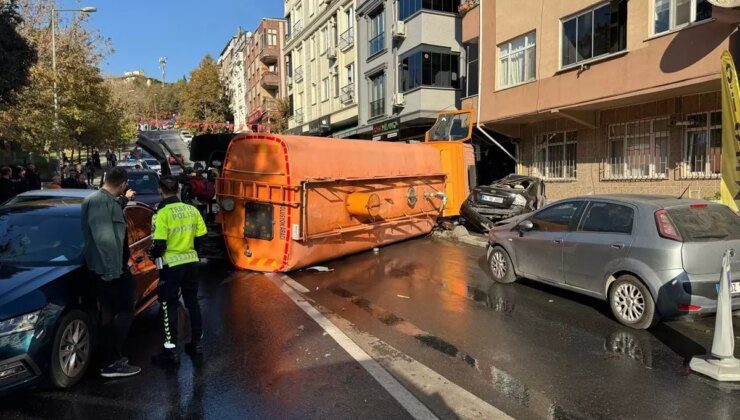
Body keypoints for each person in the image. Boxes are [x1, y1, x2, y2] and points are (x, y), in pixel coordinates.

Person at [81, 167, 141, 378]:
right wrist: (112, 272)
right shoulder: (98, 202)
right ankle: (111, 362)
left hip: (114, 268)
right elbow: (104, 240)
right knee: (122, 311)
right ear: (123, 184)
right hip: (109, 271)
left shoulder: (107, 201)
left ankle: (112, 357)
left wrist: (124, 201)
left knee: (112, 315)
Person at [149, 176, 207, 366]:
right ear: (178, 189)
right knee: (193, 303)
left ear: (160, 190)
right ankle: (196, 344)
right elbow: (201, 237)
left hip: (170, 266)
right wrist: (193, 252)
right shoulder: (192, 210)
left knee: (168, 306)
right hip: (191, 262)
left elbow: (159, 244)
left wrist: (153, 255)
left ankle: (170, 350)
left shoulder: (161, 214)